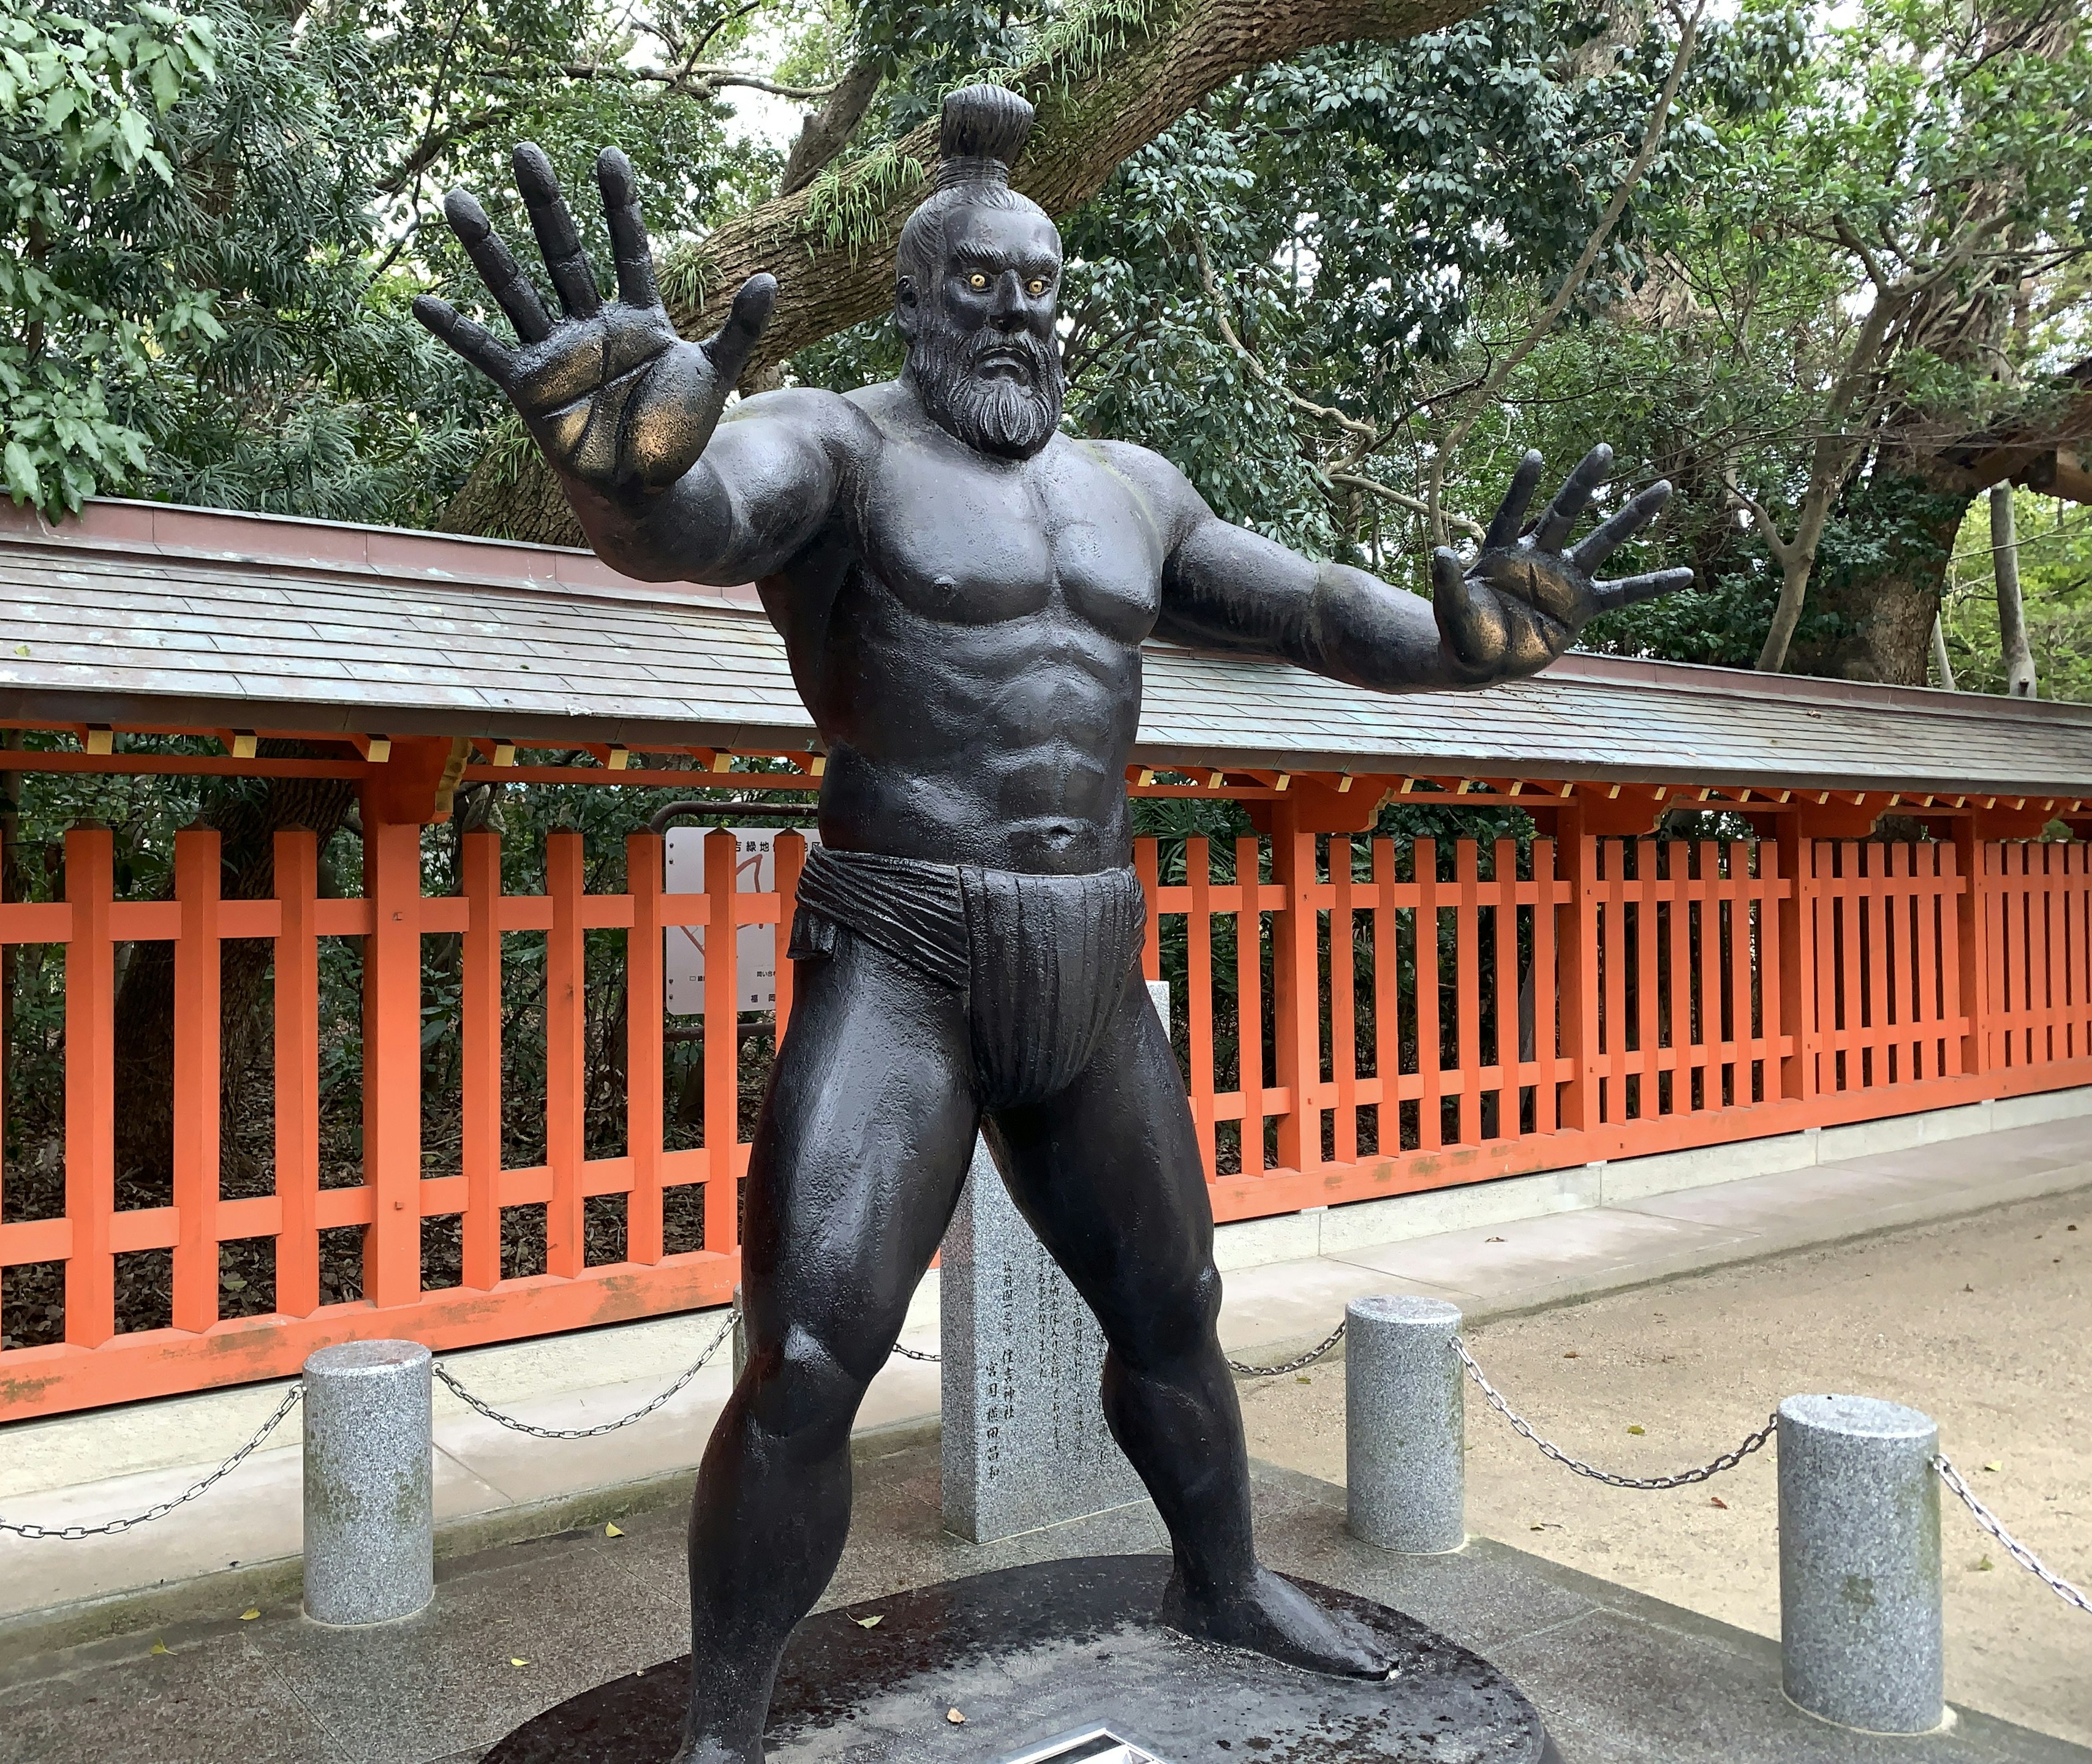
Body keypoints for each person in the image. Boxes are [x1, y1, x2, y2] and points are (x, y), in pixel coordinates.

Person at [416, 83, 1689, 1764]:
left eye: (1038, 287)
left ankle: (1220, 1579)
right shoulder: (837, 442)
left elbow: (1312, 606)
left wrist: (1462, 643)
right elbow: (696, 516)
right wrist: (624, 488)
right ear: (920, 297)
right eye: (979, 288)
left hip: (1091, 953)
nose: (1014, 314)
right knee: (805, 1357)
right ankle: (726, 1722)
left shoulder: (1132, 491)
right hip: (904, 947)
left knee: (1175, 1309)